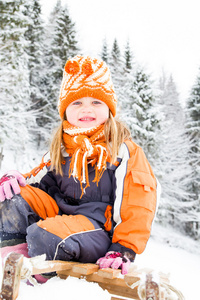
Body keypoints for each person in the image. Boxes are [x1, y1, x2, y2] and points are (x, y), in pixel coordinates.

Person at [0, 55, 157, 276]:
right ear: (65, 110)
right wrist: (18, 183)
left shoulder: (123, 150)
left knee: (42, 234)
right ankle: (11, 263)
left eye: (95, 102)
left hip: (98, 231)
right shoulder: (62, 148)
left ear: (109, 108)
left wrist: (123, 249)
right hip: (60, 218)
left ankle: (38, 281)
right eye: (77, 102)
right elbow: (44, 190)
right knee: (11, 198)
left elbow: (138, 205)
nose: (86, 109)